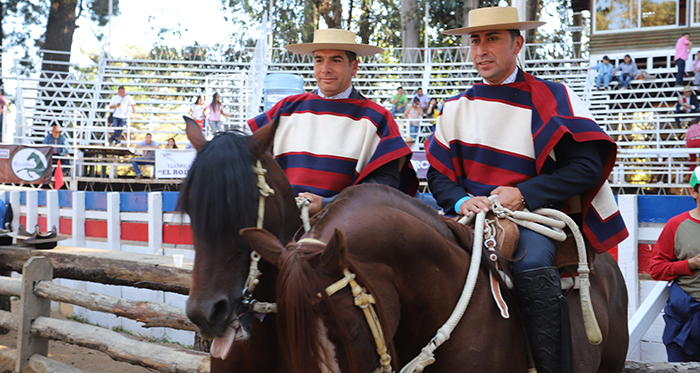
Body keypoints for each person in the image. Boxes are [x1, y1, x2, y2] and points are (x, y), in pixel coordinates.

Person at [426, 7, 628, 373]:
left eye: (493, 39)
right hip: (467, 215)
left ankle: (551, 367)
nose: (481, 50)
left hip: (532, 217)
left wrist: (524, 194)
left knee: (532, 264)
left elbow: (586, 167)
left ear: (517, 43)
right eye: (475, 40)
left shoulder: (553, 97)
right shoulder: (455, 107)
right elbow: (438, 176)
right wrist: (461, 199)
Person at [248, 28, 417, 216]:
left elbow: (384, 184)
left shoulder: (376, 117)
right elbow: (256, 163)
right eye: (319, 60)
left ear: (354, 67)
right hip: (283, 222)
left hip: (347, 227)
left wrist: (330, 204)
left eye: (336, 60)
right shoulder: (286, 109)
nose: (325, 69)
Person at [650, 168, 700, 362]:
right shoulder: (676, 224)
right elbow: (656, 269)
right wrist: (690, 264)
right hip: (683, 318)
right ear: (693, 192)